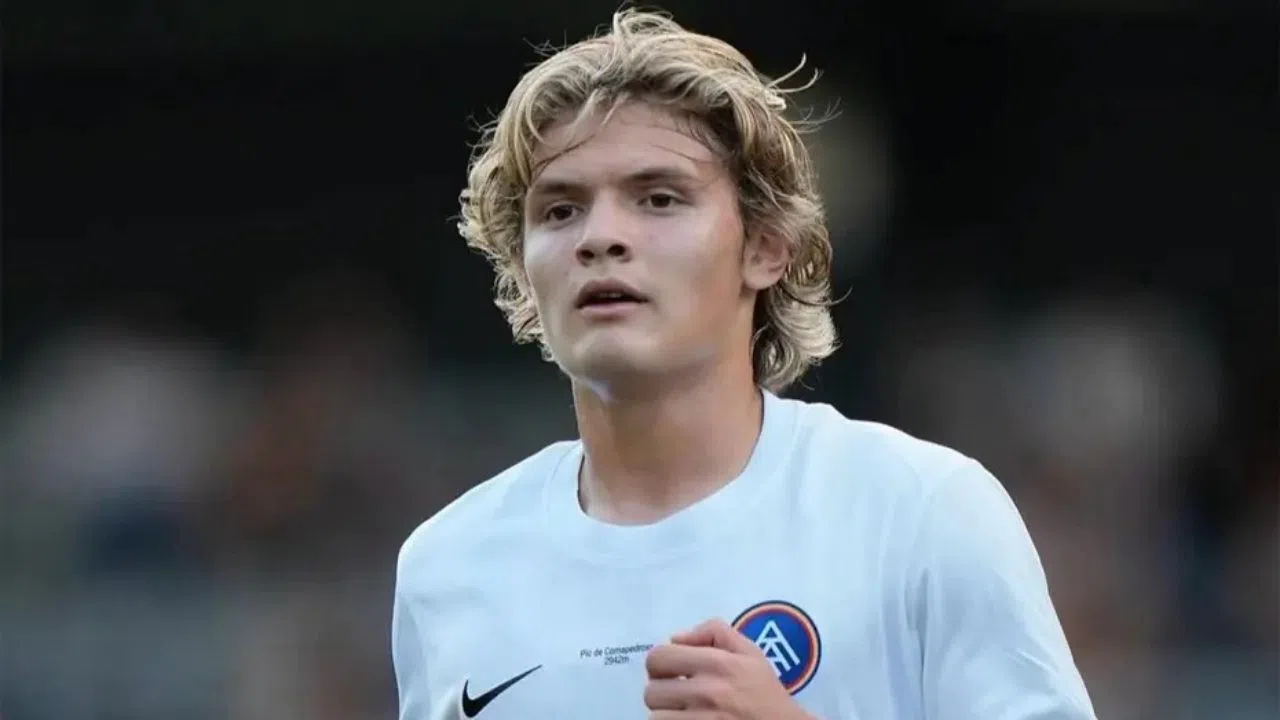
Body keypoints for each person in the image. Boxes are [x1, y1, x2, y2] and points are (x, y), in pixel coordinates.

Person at [391, 9, 1096, 720]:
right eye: (560, 210)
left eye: (658, 199)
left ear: (764, 248)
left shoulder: (921, 512)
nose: (599, 237)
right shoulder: (446, 567)